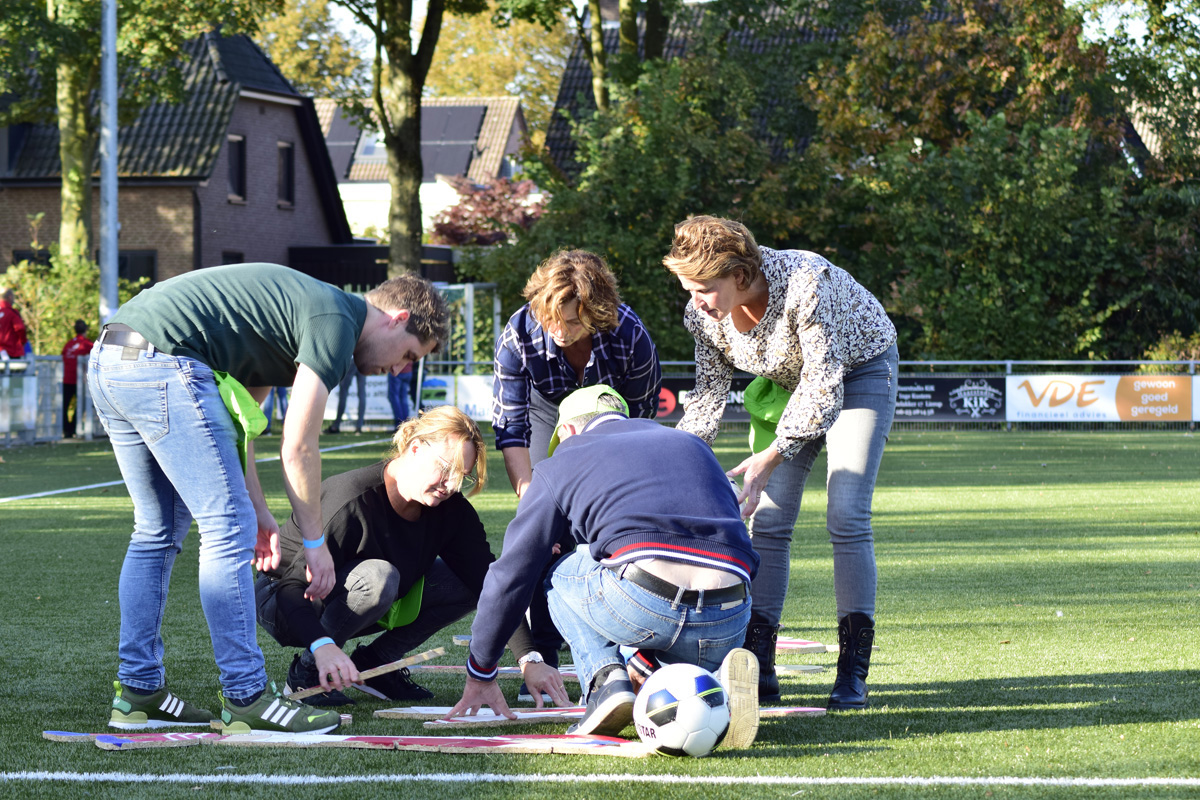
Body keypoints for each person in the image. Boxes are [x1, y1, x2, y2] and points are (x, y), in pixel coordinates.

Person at [87, 263, 448, 733]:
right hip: (163, 364)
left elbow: (241, 426)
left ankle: (139, 694)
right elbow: (298, 447)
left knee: (157, 531)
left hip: (112, 359)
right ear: (396, 319)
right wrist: (314, 543)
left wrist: (259, 511)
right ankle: (247, 699)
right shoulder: (337, 322)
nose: (400, 370)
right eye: (408, 355)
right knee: (225, 531)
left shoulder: (289, 326)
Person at [662, 216, 898, 710]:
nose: (696, 301)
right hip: (790, 386)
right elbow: (707, 396)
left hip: (858, 373)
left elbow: (823, 384)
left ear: (740, 274)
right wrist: (680, 462)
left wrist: (770, 457)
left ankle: (852, 669)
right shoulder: (702, 315)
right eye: (689, 290)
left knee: (846, 512)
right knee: (766, 519)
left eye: (704, 289)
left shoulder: (806, 283)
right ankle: (758, 665)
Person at [449, 385, 762, 749]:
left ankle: (604, 682)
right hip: (730, 613)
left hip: (646, 603)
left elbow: (512, 573)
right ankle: (710, 680)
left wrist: (481, 669)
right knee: (656, 601)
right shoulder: (691, 443)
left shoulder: (564, 459)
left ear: (568, 431)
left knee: (559, 571)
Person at [255, 405, 561, 706]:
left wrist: (529, 658)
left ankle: (376, 663)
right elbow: (290, 588)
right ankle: (308, 673)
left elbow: (491, 583)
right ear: (415, 448)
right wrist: (322, 645)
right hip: (283, 601)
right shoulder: (351, 500)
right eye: (446, 469)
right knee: (379, 578)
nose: (451, 485)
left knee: (466, 583)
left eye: (461, 476)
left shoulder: (451, 510)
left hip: (369, 592)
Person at [491, 250, 662, 700]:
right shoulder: (518, 333)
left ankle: (632, 647)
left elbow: (641, 426)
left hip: (611, 415)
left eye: (571, 322)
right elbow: (511, 427)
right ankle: (543, 654)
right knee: (541, 530)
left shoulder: (631, 335)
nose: (559, 331)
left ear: (597, 313)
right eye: (550, 319)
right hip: (546, 410)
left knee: (609, 526)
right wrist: (533, 498)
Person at [61, 319, 94, 438]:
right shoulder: (87, 344)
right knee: (81, 405)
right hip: (79, 381)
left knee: (65, 405)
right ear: (86, 330)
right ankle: (74, 428)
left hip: (66, 378)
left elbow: (63, 355)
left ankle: (67, 430)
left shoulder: (69, 344)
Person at [326, 362, 367, 434]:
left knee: (343, 393)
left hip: (351, 361)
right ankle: (359, 426)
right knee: (361, 393)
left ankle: (336, 426)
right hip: (363, 361)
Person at [0, 287, 29, 359]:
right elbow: (20, 328)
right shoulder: (11, 313)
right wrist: (23, 342)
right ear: (10, 297)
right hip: (11, 352)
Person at [387, 362, 413, 429]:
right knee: (404, 398)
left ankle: (399, 424)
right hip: (408, 370)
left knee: (394, 398)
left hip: (396, 371)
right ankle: (406, 424)